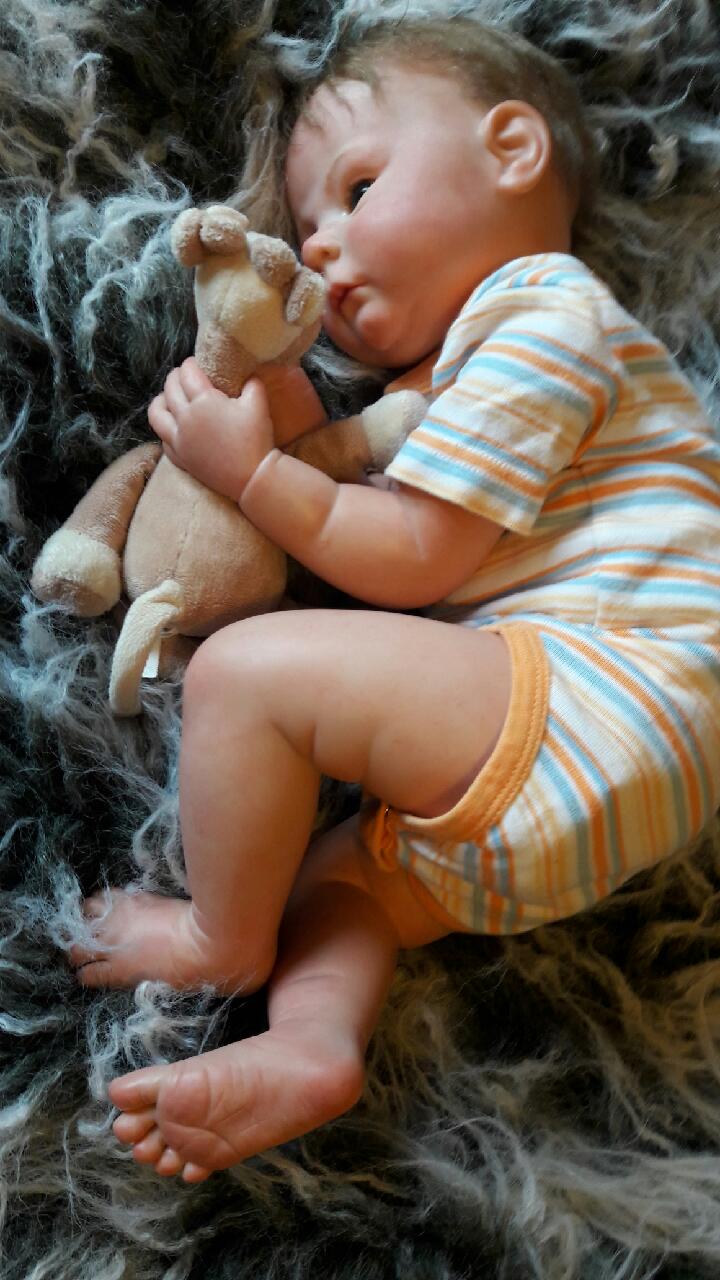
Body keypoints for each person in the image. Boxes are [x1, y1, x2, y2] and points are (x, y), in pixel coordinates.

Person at [70, 16, 720, 1182]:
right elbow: (378, 518)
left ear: (511, 149)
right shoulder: (446, 380)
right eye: (306, 229)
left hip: (607, 688)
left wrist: (251, 475)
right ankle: (315, 1039)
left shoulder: (542, 311)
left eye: (358, 189)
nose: (321, 247)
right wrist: (290, 433)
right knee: (339, 879)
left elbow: (415, 553)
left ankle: (221, 936)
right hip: (569, 778)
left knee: (247, 674)